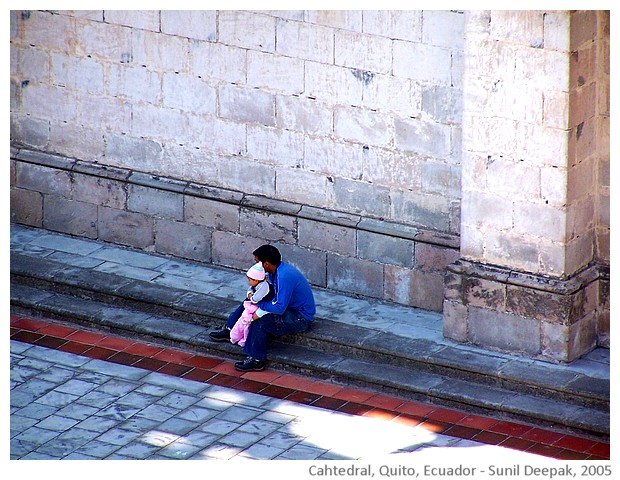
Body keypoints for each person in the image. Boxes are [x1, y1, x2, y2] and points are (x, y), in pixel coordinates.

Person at [209, 244, 316, 372]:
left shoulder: (284, 276)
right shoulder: (273, 272)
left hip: (299, 317)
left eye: (257, 262)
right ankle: (230, 329)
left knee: (261, 321)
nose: (255, 265)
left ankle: (256, 359)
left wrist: (259, 306)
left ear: (266, 264)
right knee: (249, 302)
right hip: (287, 307)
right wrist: (254, 299)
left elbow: (279, 307)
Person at [229, 262, 273, 347]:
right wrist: (249, 294)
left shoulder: (263, 287)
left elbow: (255, 299)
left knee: (246, 323)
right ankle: (236, 336)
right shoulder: (256, 284)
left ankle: (242, 339)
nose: (248, 282)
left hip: (263, 306)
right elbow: (250, 289)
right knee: (243, 321)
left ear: (256, 280)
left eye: (250, 280)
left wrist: (251, 297)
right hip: (257, 305)